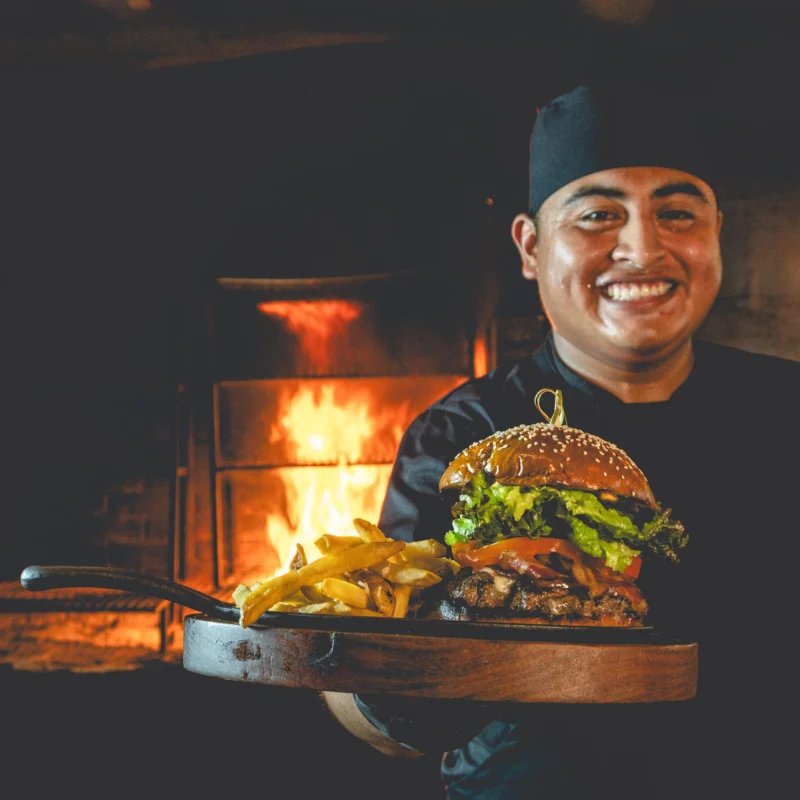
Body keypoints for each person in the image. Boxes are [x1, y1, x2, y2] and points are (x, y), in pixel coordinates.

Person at [322, 84, 800, 799]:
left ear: (716, 236)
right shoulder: (463, 437)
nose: (643, 247)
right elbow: (380, 704)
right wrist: (385, 698)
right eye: (599, 215)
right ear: (530, 246)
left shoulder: (785, 408)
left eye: (677, 214)